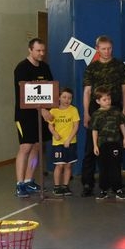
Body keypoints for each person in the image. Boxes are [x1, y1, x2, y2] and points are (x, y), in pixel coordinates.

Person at [80, 35, 125, 197]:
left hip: (115, 109)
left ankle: (116, 184)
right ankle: (88, 183)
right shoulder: (92, 67)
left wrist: (124, 109)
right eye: (103, 49)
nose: (107, 51)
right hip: (96, 110)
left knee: (115, 149)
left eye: (109, 48)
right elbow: (87, 91)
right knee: (91, 149)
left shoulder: (119, 65)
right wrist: (86, 112)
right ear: (97, 49)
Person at [13, 38, 54, 198]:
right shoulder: (22, 68)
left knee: (37, 146)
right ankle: (20, 184)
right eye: (38, 50)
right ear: (30, 50)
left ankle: (29, 180)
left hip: (41, 115)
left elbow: (50, 89)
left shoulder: (45, 67)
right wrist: (42, 110)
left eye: (43, 50)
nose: (41, 53)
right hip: (25, 115)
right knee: (26, 147)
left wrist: (51, 108)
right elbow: (26, 93)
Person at [90, 86, 125, 200]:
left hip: (115, 143)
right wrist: (95, 145)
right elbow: (94, 130)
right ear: (98, 101)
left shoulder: (116, 111)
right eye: (104, 99)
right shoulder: (96, 114)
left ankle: (118, 189)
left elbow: (121, 124)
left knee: (115, 166)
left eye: (109, 99)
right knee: (103, 167)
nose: (107, 101)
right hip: (102, 144)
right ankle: (104, 189)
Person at [47, 87, 80, 197]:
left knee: (68, 165)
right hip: (58, 143)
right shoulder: (53, 110)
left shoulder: (73, 110)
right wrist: (54, 133)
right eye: (64, 97)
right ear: (59, 98)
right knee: (59, 165)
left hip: (70, 142)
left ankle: (65, 186)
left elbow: (76, 127)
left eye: (69, 98)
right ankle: (57, 187)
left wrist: (69, 139)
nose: (67, 100)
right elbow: (50, 125)